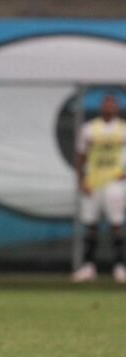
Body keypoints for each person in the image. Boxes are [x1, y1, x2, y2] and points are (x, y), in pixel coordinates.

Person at [72, 94, 126, 283]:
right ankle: (88, 267)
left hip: (114, 182)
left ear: (117, 108)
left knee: (116, 224)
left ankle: (120, 267)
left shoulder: (123, 129)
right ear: (101, 107)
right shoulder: (89, 129)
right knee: (90, 224)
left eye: (113, 104)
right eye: (106, 103)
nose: (109, 107)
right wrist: (81, 180)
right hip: (93, 182)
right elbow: (80, 156)